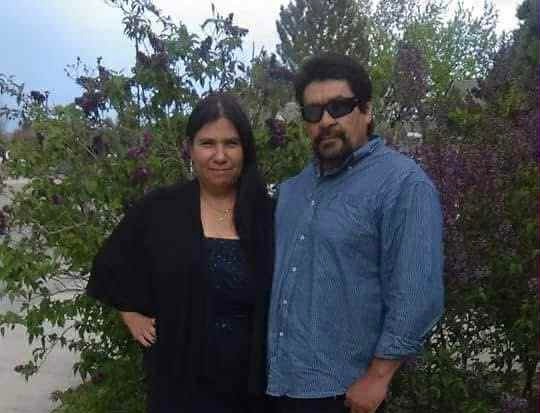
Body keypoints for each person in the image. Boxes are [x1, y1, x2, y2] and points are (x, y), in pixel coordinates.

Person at [266, 54, 444, 413]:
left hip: (343, 393)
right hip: (278, 386)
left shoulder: (401, 184)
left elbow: (417, 291)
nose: (325, 121)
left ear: (367, 110)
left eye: (339, 107)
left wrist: (379, 376)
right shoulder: (292, 191)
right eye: (313, 112)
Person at [87, 93, 275, 413]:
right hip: (179, 381)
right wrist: (129, 312)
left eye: (231, 143)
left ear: (245, 149)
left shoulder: (268, 215)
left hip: (252, 383)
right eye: (207, 143)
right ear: (190, 148)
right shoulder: (161, 209)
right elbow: (111, 264)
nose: (220, 156)